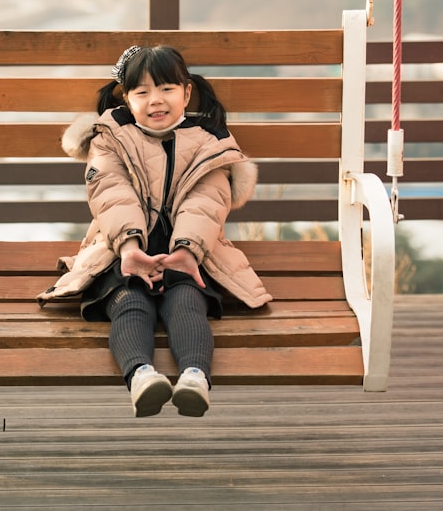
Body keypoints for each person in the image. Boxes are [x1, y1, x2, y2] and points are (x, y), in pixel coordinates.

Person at [38, 45, 272, 417]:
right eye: (142, 92)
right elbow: (112, 194)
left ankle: (194, 377)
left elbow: (207, 200)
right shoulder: (110, 136)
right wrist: (130, 247)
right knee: (128, 303)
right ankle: (142, 376)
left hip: (190, 254)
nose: (155, 101)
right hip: (121, 250)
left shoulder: (210, 141)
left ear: (186, 92)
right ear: (126, 98)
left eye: (166, 89)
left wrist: (188, 251)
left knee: (187, 303)